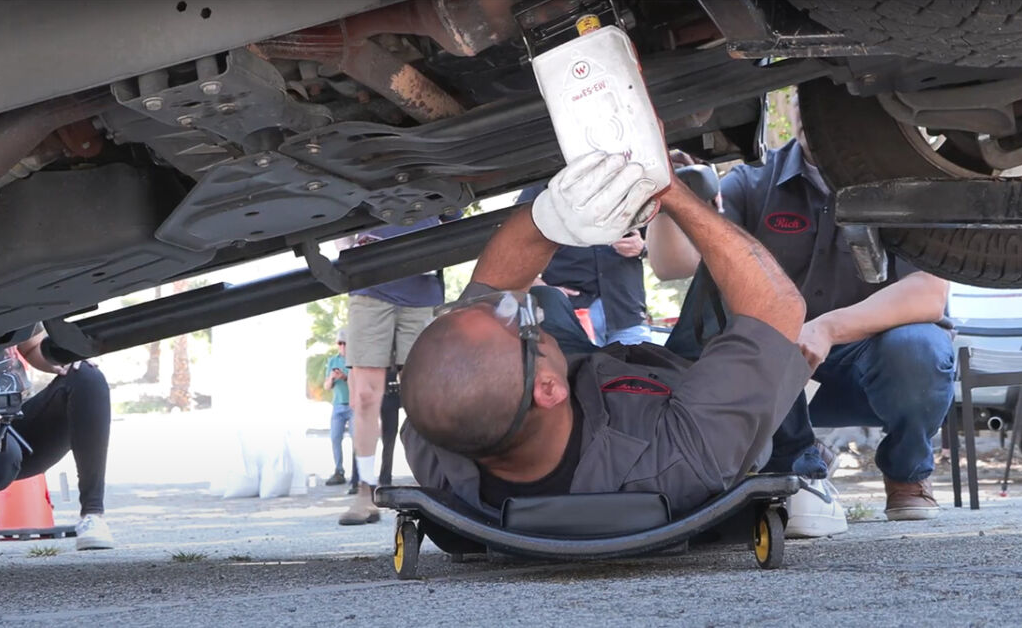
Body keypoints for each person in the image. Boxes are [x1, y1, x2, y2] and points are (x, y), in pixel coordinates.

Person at [398, 151, 810, 517]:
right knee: (742, 284)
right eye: (520, 324)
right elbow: (777, 308)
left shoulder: (437, 427)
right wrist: (669, 188)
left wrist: (556, 210)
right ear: (548, 388)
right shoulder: (681, 455)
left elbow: (493, 287)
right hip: (684, 392)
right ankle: (805, 461)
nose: (517, 307)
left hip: (582, 389)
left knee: (546, 298)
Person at [647, 105, 954, 530]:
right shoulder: (755, 181)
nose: (816, 109)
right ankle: (798, 467)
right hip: (774, 375)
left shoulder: (907, 182)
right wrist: (669, 197)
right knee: (733, 310)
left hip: (870, 370)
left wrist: (826, 328)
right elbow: (674, 266)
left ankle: (907, 474)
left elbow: (929, 294)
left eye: (836, 96)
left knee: (921, 347)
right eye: (806, 96)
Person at [339, 219, 449, 525]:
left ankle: (441, 485)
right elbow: (338, 219)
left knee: (422, 395)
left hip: (421, 290)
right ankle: (365, 490)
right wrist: (348, 248)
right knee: (363, 396)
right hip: (370, 286)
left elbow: (454, 217)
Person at [0, 326, 115, 554]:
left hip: (14, 418)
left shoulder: (6, 293)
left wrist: (61, 359)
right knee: (2, 456)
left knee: (86, 377)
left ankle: (93, 515)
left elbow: (32, 345)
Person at [518, 187, 652, 347]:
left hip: (627, 312)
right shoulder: (540, 188)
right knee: (577, 371)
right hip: (570, 316)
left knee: (637, 370)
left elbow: (663, 247)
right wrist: (545, 290)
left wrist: (643, 247)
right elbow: (514, 249)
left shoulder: (631, 181)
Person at [323, 329, 357, 488]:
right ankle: (339, 470)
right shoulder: (332, 361)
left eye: (345, 343)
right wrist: (332, 378)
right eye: (340, 343)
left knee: (356, 440)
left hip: (353, 406)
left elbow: (358, 382)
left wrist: (345, 377)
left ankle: (357, 474)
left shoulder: (355, 360)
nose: (342, 346)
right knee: (335, 438)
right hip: (337, 406)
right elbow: (327, 386)